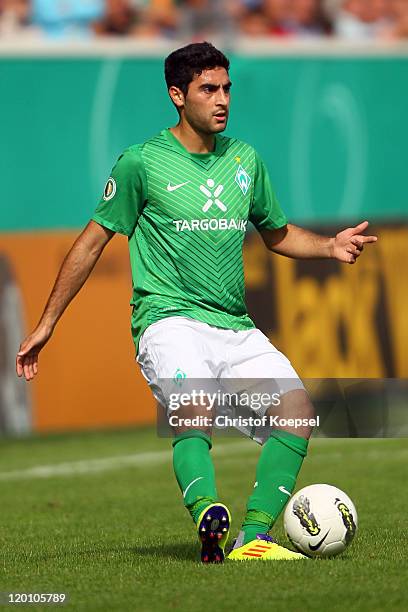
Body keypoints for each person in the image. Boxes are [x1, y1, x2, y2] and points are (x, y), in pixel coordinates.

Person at [16, 42, 377, 564]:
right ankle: (208, 512)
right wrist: (47, 323)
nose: (222, 99)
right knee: (195, 407)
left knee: (297, 411)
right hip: (169, 321)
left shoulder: (245, 159)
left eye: (227, 87)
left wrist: (328, 246)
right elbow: (91, 242)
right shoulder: (143, 162)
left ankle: (253, 537)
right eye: (209, 89)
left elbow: (275, 234)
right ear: (177, 95)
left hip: (233, 324)